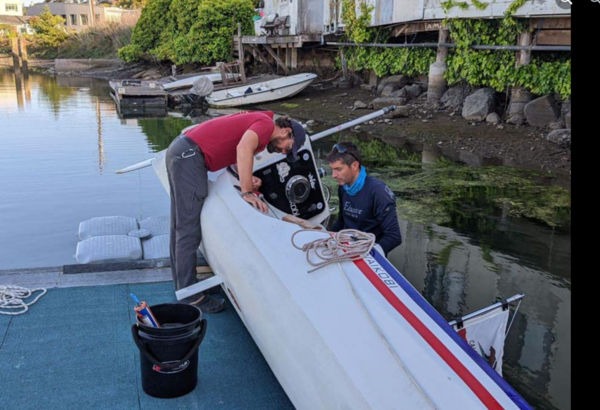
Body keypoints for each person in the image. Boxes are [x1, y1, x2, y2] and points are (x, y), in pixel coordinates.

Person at [166, 111, 306, 312]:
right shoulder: (266, 125)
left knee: (179, 224)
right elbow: (243, 148)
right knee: (188, 227)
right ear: (286, 131)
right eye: (288, 148)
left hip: (184, 152)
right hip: (189, 157)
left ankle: (185, 286)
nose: (284, 152)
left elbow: (235, 149)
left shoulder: (261, 123)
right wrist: (248, 191)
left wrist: (248, 178)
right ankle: (191, 296)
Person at [327, 142, 402, 256]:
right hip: (346, 248)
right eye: (332, 169)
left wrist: (371, 255)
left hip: (369, 253)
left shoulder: (378, 192)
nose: (334, 175)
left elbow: (394, 237)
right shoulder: (343, 188)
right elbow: (342, 221)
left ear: (354, 166)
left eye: (338, 169)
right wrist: (327, 238)